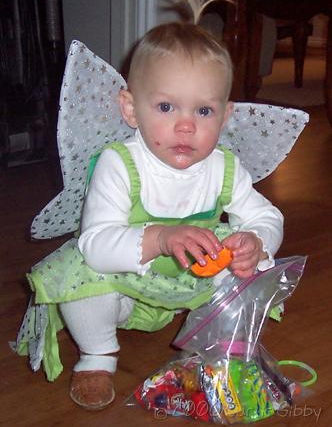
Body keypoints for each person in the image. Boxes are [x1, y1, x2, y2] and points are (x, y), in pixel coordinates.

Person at [16, 21, 283, 410]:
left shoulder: (224, 167)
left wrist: (257, 242)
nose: (186, 125)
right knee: (78, 278)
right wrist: (159, 238)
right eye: (165, 106)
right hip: (125, 284)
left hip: (192, 284)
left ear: (224, 118)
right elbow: (96, 244)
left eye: (204, 110)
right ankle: (98, 355)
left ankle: (216, 346)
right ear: (131, 109)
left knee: (244, 270)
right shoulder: (119, 164)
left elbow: (267, 216)